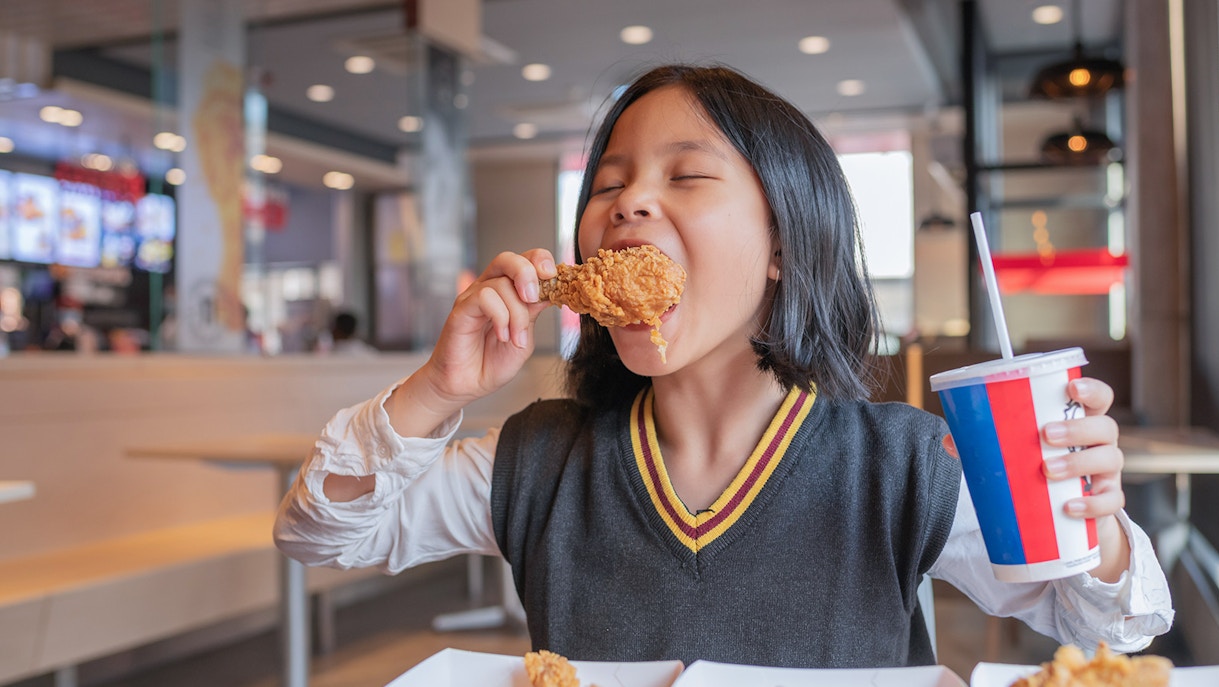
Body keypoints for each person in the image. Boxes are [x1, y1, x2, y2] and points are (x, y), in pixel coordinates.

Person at [274, 64, 1173, 668]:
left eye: (685, 177)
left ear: (782, 241)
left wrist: (1089, 520)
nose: (628, 206)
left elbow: (1112, 622)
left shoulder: (902, 463)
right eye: (607, 184)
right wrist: (438, 391)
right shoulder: (536, 460)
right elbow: (320, 536)